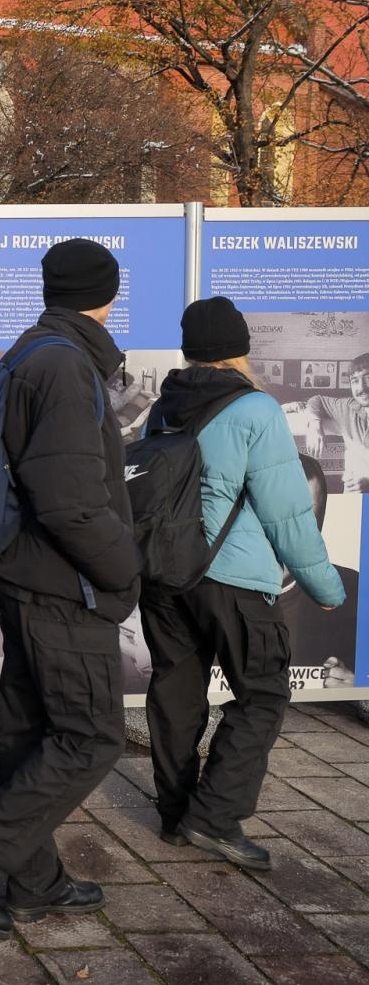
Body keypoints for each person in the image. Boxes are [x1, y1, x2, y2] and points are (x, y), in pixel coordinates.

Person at [0, 239, 140, 937]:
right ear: (107, 295)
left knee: (29, 731)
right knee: (89, 736)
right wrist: (121, 570)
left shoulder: (31, 351)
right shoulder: (66, 367)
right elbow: (72, 501)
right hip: (62, 584)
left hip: (25, 575)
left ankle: (33, 881)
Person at [141, 297, 345, 872]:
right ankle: (214, 818)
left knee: (176, 693)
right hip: (231, 578)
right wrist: (324, 587)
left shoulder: (165, 407)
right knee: (262, 695)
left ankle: (176, 813)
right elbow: (288, 514)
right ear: (239, 348)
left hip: (165, 573)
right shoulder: (255, 409)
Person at [283, 454, 358, 686]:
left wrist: (357, 691)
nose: (288, 537)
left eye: (306, 522)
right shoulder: (208, 596)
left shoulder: (355, 592)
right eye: (278, 518)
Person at [304, 352, 369, 491]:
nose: (362, 388)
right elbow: (317, 400)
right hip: (353, 502)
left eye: (368, 378)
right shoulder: (349, 407)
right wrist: (314, 425)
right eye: (355, 381)